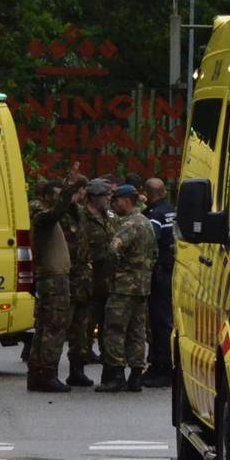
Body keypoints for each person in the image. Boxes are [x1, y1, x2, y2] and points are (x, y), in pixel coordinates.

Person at [26, 165, 86, 393]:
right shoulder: (42, 216)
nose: (60, 198)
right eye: (56, 194)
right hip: (54, 280)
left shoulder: (46, 216)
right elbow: (56, 212)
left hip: (52, 279)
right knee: (54, 326)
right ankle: (47, 373)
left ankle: (37, 373)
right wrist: (70, 191)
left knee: (44, 327)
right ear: (44, 197)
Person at [95, 184, 157, 393]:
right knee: (137, 332)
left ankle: (116, 376)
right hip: (142, 286)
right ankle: (136, 376)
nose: (114, 204)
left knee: (114, 330)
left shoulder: (130, 224)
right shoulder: (146, 222)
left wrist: (116, 268)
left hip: (124, 287)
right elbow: (154, 254)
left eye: (116, 201)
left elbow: (113, 250)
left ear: (126, 200)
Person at [65, 177, 115, 386]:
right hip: (87, 284)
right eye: (106, 196)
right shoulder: (81, 216)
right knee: (82, 331)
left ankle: (109, 371)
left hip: (107, 283)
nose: (109, 199)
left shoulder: (106, 217)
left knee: (108, 329)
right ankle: (76, 370)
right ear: (95, 197)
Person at [141, 178, 175, 387]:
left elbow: (149, 240)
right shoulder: (172, 211)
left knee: (159, 321)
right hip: (172, 270)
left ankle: (161, 367)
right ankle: (165, 364)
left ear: (148, 193)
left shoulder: (155, 215)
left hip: (160, 273)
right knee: (167, 320)